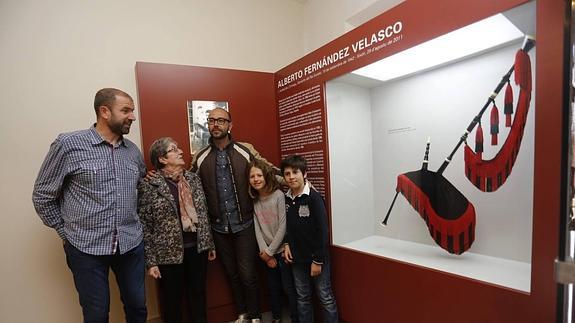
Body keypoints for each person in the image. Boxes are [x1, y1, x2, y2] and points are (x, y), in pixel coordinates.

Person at [32, 88, 147, 323]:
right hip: (86, 248)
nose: (132, 117)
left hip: (130, 244)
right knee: (96, 314)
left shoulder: (133, 152)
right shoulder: (68, 145)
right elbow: (42, 195)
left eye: (132, 110)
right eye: (126, 110)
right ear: (104, 111)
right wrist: (67, 232)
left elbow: (141, 190)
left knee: (138, 307)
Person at [191, 108, 261, 323]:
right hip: (218, 228)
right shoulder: (200, 156)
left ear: (230, 125)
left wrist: (295, 182)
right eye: (211, 121)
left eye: (221, 120)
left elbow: (266, 170)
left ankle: (256, 315)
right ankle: (242, 313)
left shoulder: (244, 149)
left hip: (245, 224)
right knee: (231, 274)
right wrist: (160, 174)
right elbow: (187, 184)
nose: (216, 125)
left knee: (248, 275)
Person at [138, 137, 216, 323]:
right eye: (174, 149)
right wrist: (151, 262)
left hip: (197, 249)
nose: (180, 151)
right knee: (172, 301)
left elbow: (203, 212)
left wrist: (209, 243)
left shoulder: (193, 179)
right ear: (162, 159)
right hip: (168, 255)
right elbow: (145, 225)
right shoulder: (149, 185)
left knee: (198, 295)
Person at [281, 155, 339, 323]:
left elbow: (322, 231)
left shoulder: (314, 198)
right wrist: (286, 244)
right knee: (302, 297)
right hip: (297, 259)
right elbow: (288, 227)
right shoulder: (286, 199)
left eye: (295, 172)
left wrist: (318, 260)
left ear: (304, 174)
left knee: (325, 296)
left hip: (316, 257)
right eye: (287, 173)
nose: (291, 177)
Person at [248, 159, 299, 323]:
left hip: (282, 250)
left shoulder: (278, 196)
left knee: (288, 287)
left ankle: (295, 317)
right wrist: (265, 254)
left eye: (259, 175)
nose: (256, 179)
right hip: (267, 253)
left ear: (266, 176)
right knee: (273, 288)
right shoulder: (255, 201)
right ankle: (276, 317)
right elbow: (257, 228)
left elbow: (283, 226)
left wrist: (271, 252)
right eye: (252, 176)